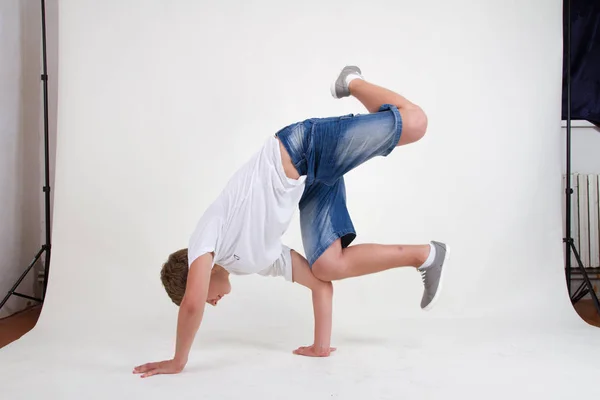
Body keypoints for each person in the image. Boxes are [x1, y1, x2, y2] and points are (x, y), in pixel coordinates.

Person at [133, 66, 450, 378]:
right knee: (327, 266)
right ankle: (426, 255)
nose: (210, 302)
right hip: (309, 183)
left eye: (204, 295)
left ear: (196, 278)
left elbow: (190, 306)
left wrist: (178, 361)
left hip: (301, 148)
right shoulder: (256, 261)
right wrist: (320, 346)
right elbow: (320, 286)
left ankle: (351, 82)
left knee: (416, 123)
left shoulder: (207, 234)